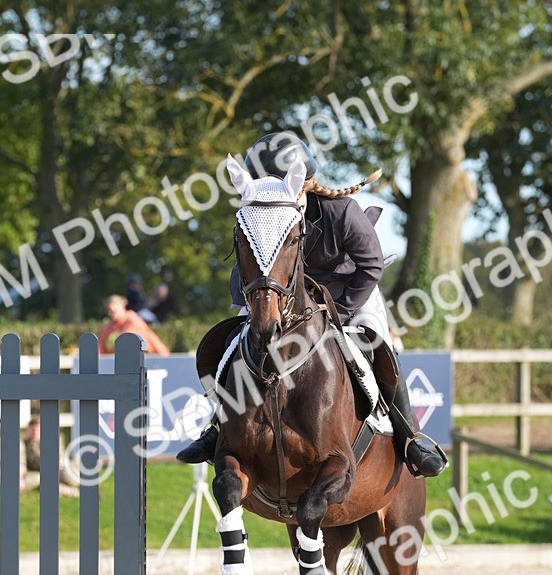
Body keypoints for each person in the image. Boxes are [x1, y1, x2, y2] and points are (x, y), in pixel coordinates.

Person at [177, 131, 447, 477]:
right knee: (232, 345)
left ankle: (411, 437)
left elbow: (371, 265)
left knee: (378, 344)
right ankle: (217, 426)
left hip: (349, 292)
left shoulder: (340, 211)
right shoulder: (261, 211)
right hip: (283, 299)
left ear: (301, 182)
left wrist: (341, 313)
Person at [99, 294, 170, 355]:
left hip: (155, 358)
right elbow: (100, 345)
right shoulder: (111, 325)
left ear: (121, 307)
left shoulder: (132, 319)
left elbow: (125, 343)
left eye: (113, 311)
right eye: (108, 311)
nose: (110, 314)